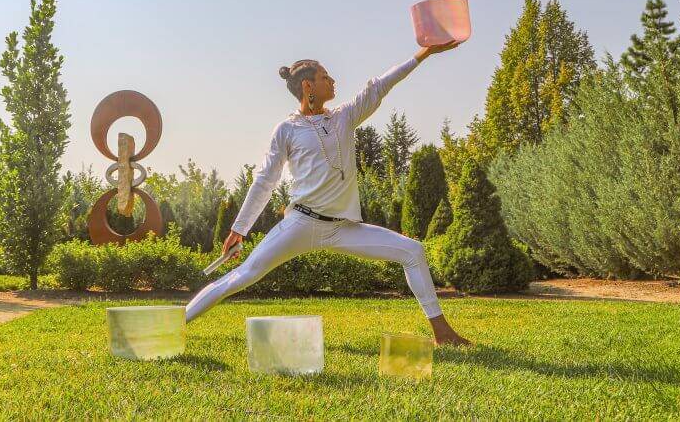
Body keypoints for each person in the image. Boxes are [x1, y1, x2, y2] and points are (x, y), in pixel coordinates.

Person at [184, 42, 471, 346]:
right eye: (325, 77)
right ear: (308, 86)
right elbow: (265, 181)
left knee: (413, 252)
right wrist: (238, 229)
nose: (333, 81)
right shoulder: (287, 130)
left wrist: (422, 54)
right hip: (301, 224)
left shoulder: (344, 117)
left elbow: (380, 87)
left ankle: (443, 334)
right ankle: (176, 322)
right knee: (243, 276)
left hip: (342, 228)